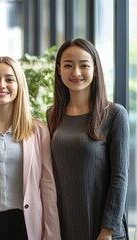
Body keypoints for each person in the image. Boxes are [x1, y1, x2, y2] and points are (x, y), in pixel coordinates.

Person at [0, 56, 61, 240]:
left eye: (9, 79)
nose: (1, 85)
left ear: (19, 85)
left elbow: (47, 186)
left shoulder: (39, 131)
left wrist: (51, 234)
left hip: (27, 223)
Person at [46, 38, 129, 239]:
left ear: (95, 70)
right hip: (64, 226)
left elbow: (120, 178)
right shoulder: (52, 114)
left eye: (84, 65)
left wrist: (107, 231)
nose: (76, 72)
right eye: (68, 65)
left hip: (102, 230)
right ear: (59, 70)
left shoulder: (115, 114)